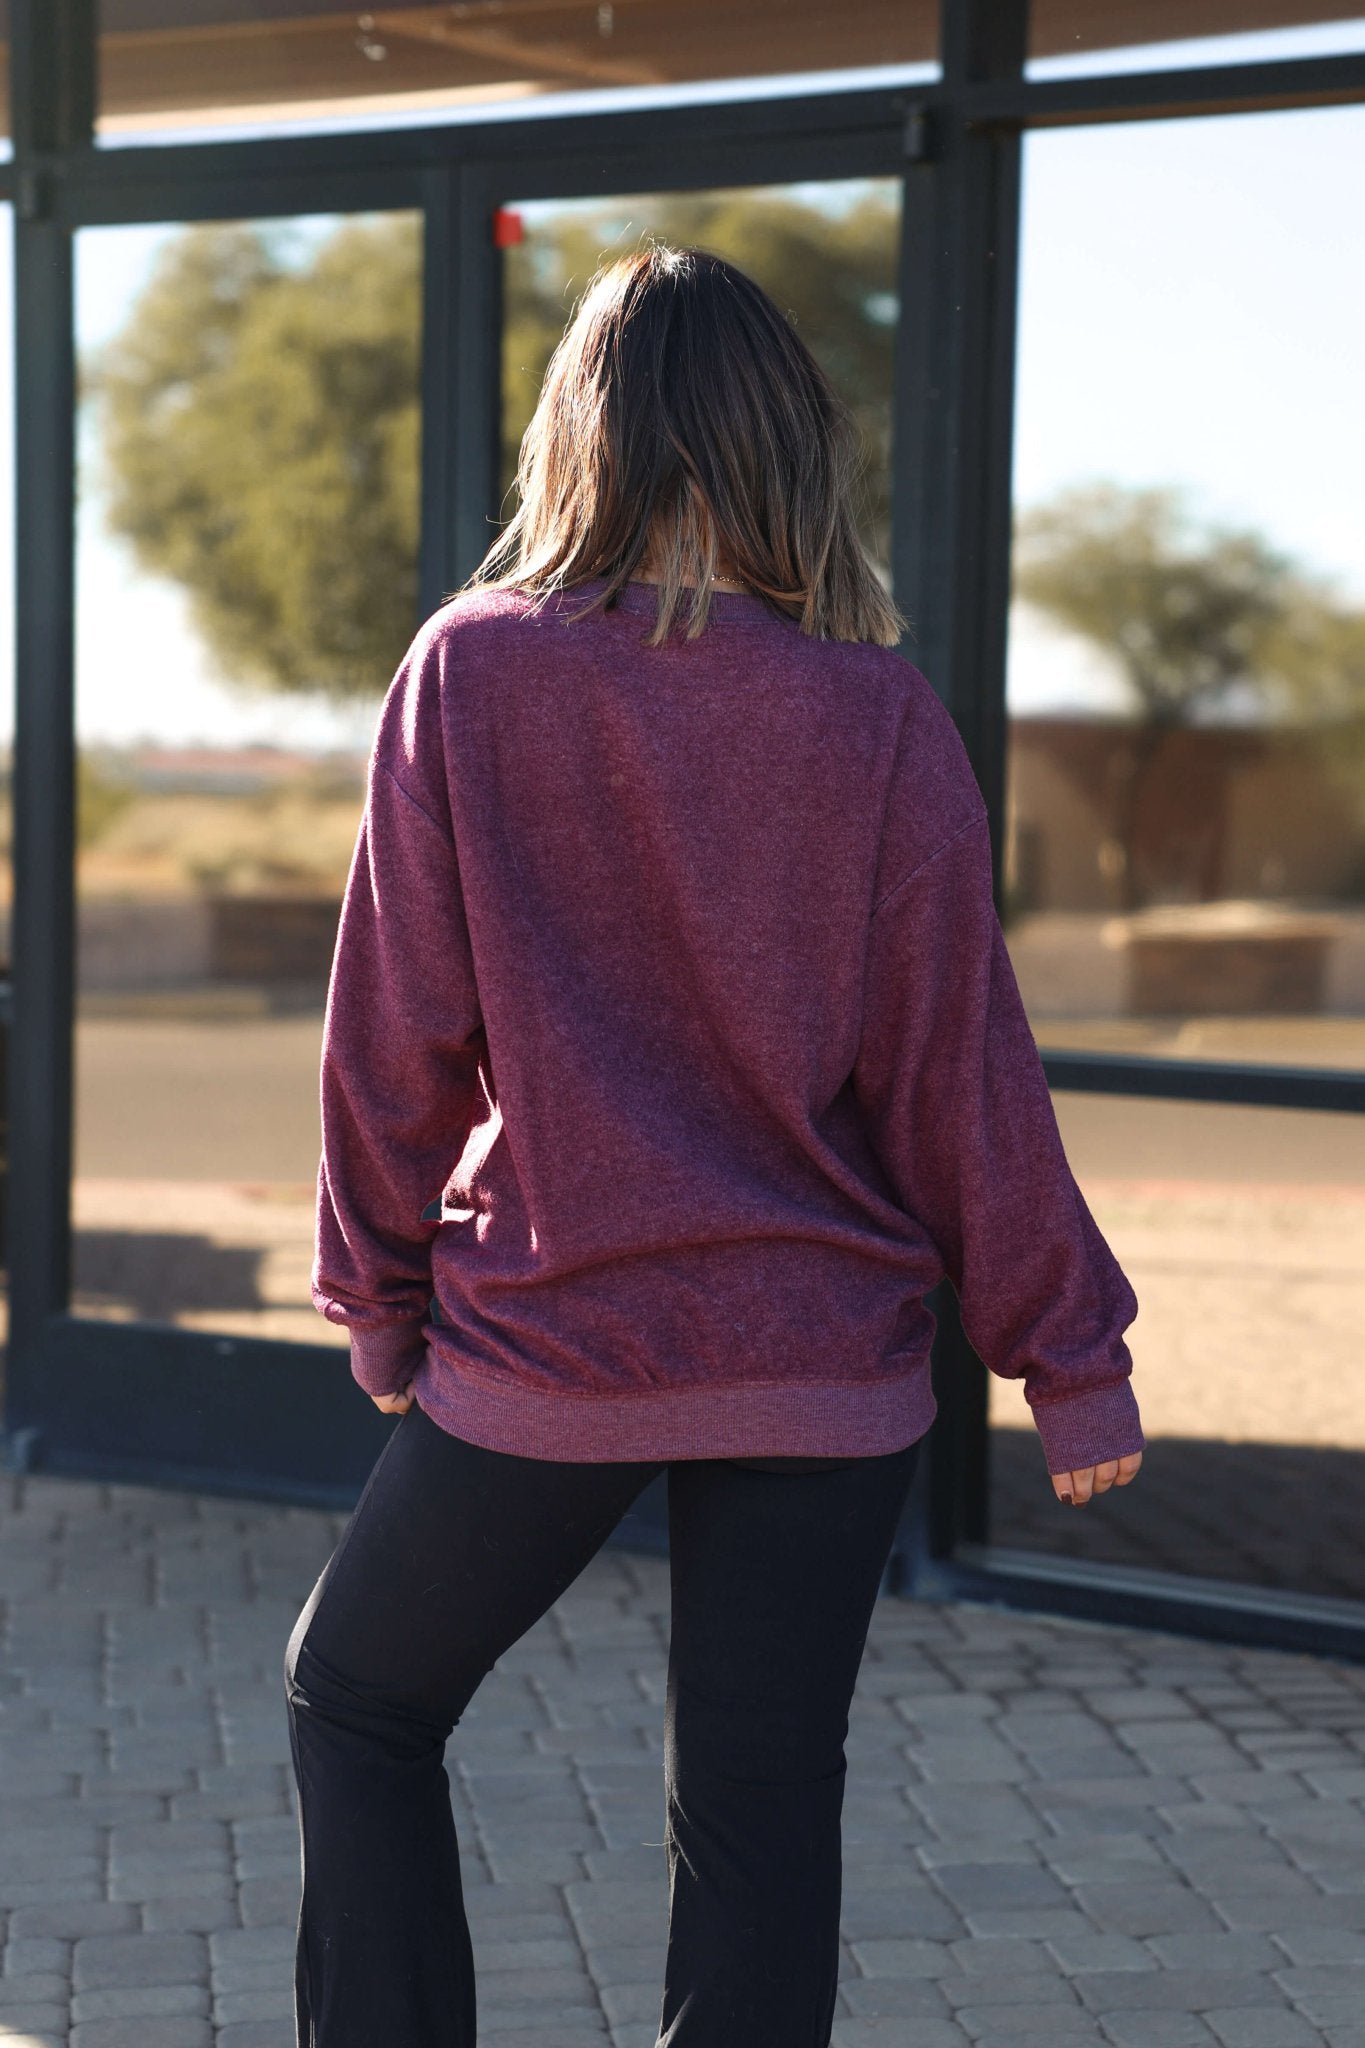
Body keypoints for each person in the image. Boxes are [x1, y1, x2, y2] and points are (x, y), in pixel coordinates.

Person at [284, 241, 1145, 2048]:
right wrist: (1070, 1363)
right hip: (821, 1362)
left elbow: (394, 1037)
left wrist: (374, 1294)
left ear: (575, 436)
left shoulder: (473, 671)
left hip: (557, 1337)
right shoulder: (878, 709)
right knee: (758, 1812)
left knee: (358, 1704)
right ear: (785, 449)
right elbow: (958, 1065)